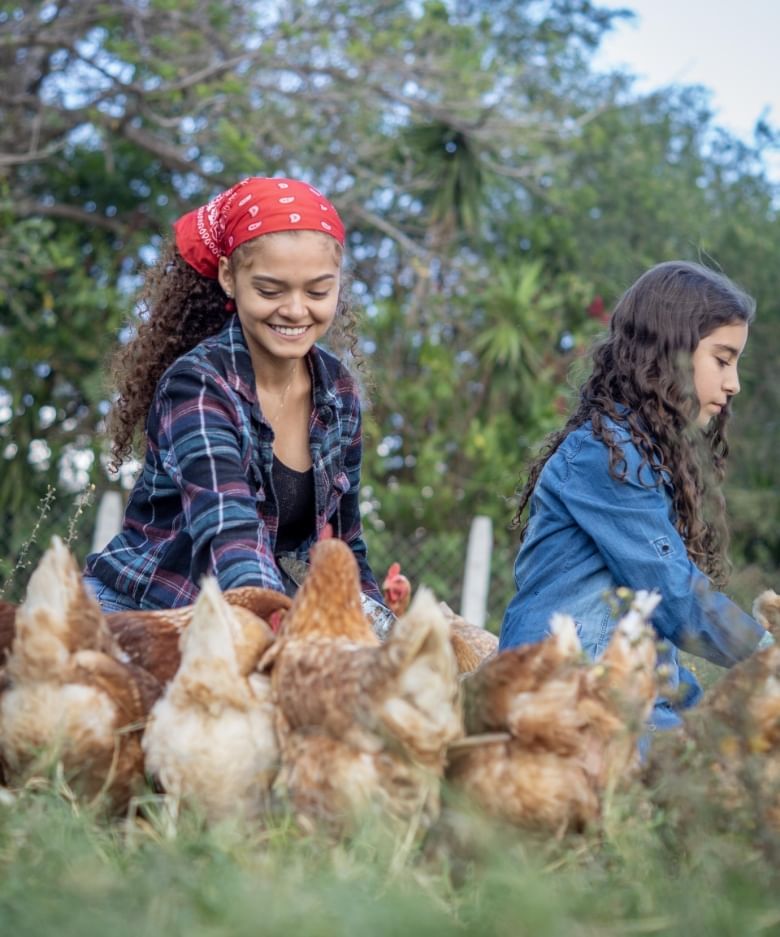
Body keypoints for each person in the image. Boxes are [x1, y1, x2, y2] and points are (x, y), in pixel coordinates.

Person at [84, 176, 383, 612]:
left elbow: (344, 546)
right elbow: (230, 530)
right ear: (229, 276)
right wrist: (273, 622)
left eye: (318, 291)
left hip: (235, 615)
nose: (297, 310)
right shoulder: (197, 384)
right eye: (270, 290)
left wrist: (383, 634)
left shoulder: (338, 392)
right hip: (138, 615)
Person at [499, 260, 773, 731]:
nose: (734, 384)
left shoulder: (638, 455)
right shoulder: (604, 456)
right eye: (723, 360)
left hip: (613, 689)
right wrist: (765, 654)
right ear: (671, 351)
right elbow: (672, 591)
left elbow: (647, 626)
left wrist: (695, 709)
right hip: (560, 691)